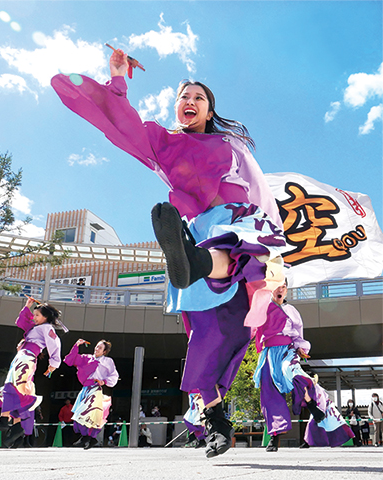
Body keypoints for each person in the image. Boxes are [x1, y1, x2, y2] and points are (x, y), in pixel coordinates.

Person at [51, 48, 287, 458]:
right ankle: (216, 424)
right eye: (183, 97)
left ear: (209, 109)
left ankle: (196, 261)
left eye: (198, 96)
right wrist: (119, 80)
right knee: (203, 347)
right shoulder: (166, 143)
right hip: (197, 234)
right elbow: (123, 125)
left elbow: (260, 190)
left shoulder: (229, 144)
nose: (189, 101)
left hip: (235, 221)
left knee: (234, 254)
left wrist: (274, 250)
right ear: (176, 107)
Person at [253, 281, 354, 451]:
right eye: (277, 286)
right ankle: (274, 438)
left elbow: (298, 334)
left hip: (287, 350)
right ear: (270, 288)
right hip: (269, 354)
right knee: (269, 392)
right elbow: (252, 328)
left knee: (294, 374)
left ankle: (314, 407)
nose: (280, 289)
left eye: (283, 287)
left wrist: (301, 348)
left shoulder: (291, 311)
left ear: (286, 291)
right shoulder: (261, 307)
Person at [0, 298, 63, 448]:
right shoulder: (36, 327)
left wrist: (53, 364)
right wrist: (27, 306)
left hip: (26, 358)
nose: (34, 317)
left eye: (37, 315)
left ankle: (5, 420)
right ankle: (16, 426)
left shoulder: (47, 328)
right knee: (18, 389)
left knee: (12, 387)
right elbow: (21, 322)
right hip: (22, 358)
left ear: (46, 317)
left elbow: (55, 345)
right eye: (34, 315)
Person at [64, 339, 119, 449]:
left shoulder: (107, 361)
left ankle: (87, 437)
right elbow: (71, 360)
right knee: (78, 414)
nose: (96, 348)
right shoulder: (87, 358)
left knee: (85, 414)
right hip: (85, 389)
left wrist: (104, 381)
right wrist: (76, 345)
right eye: (96, 346)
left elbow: (114, 376)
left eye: (100, 348)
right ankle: (90, 438)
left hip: (95, 389)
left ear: (104, 352)